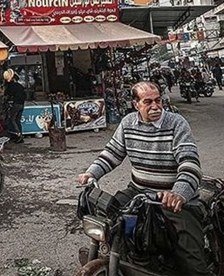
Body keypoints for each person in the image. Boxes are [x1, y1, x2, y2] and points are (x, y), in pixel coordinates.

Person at [77, 82, 210, 276]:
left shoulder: (176, 123)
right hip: (138, 191)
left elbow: (189, 163)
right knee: (109, 220)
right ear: (136, 104)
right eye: (148, 102)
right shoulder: (128, 123)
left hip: (170, 197)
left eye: (158, 101)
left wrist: (179, 193)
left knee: (191, 260)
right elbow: (112, 153)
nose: (155, 106)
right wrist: (91, 173)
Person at [3, 69, 26, 144]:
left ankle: (18, 134)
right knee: (17, 120)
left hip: (16, 104)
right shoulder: (20, 86)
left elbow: (8, 94)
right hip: (21, 104)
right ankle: (20, 135)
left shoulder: (12, 86)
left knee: (12, 119)